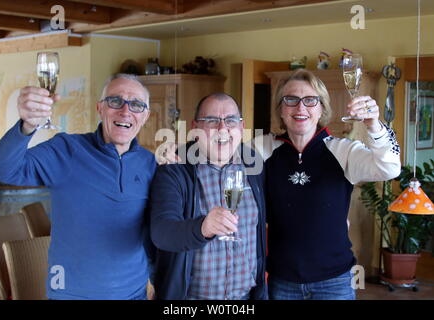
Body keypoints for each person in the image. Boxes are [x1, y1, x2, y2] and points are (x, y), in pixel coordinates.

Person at [0, 73, 156, 300]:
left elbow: (153, 233)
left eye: (136, 105)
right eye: (115, 101)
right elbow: (2, 170)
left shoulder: (150, 163)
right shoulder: (66, 149)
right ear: (100, 108)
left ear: (145, 116)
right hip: (71, 293)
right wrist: (27, 126)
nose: (125, 111)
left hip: (133, 294)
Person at [253, 69, 401, 300]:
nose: (300, 108)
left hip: (335, 281)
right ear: (280, 109)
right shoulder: (262, 149)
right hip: (281, 280)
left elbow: (390, 167)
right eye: (290, 100)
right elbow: (219, 156)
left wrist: (374, 125)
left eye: (310, 100)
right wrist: (180, 153)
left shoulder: (343, 150)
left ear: (322, 107)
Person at [149, 93, 267, 300]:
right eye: (211, 120)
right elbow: (162, 233)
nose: (222, 128)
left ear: (241, 127)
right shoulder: (174, 170)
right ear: (195, 128)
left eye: (230, 120)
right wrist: (203, 227)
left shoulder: (254, 165)